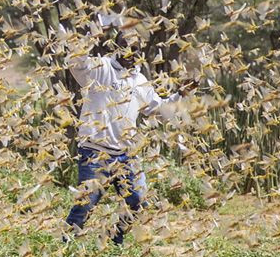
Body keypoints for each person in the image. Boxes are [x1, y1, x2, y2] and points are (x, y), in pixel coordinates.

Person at [61, 13, 195, 245]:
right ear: (116, 47)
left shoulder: (139, 80)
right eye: (126, 47)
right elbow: (76, 61)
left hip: (125, 154)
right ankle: (64, 250)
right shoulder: (101, 68)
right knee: (86, 204)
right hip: (95, 152)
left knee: (138, 201)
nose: (130, 53)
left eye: (135, 49)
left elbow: (159, 108)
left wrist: (181, 94)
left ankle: (114, 241)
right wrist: (94, 31)